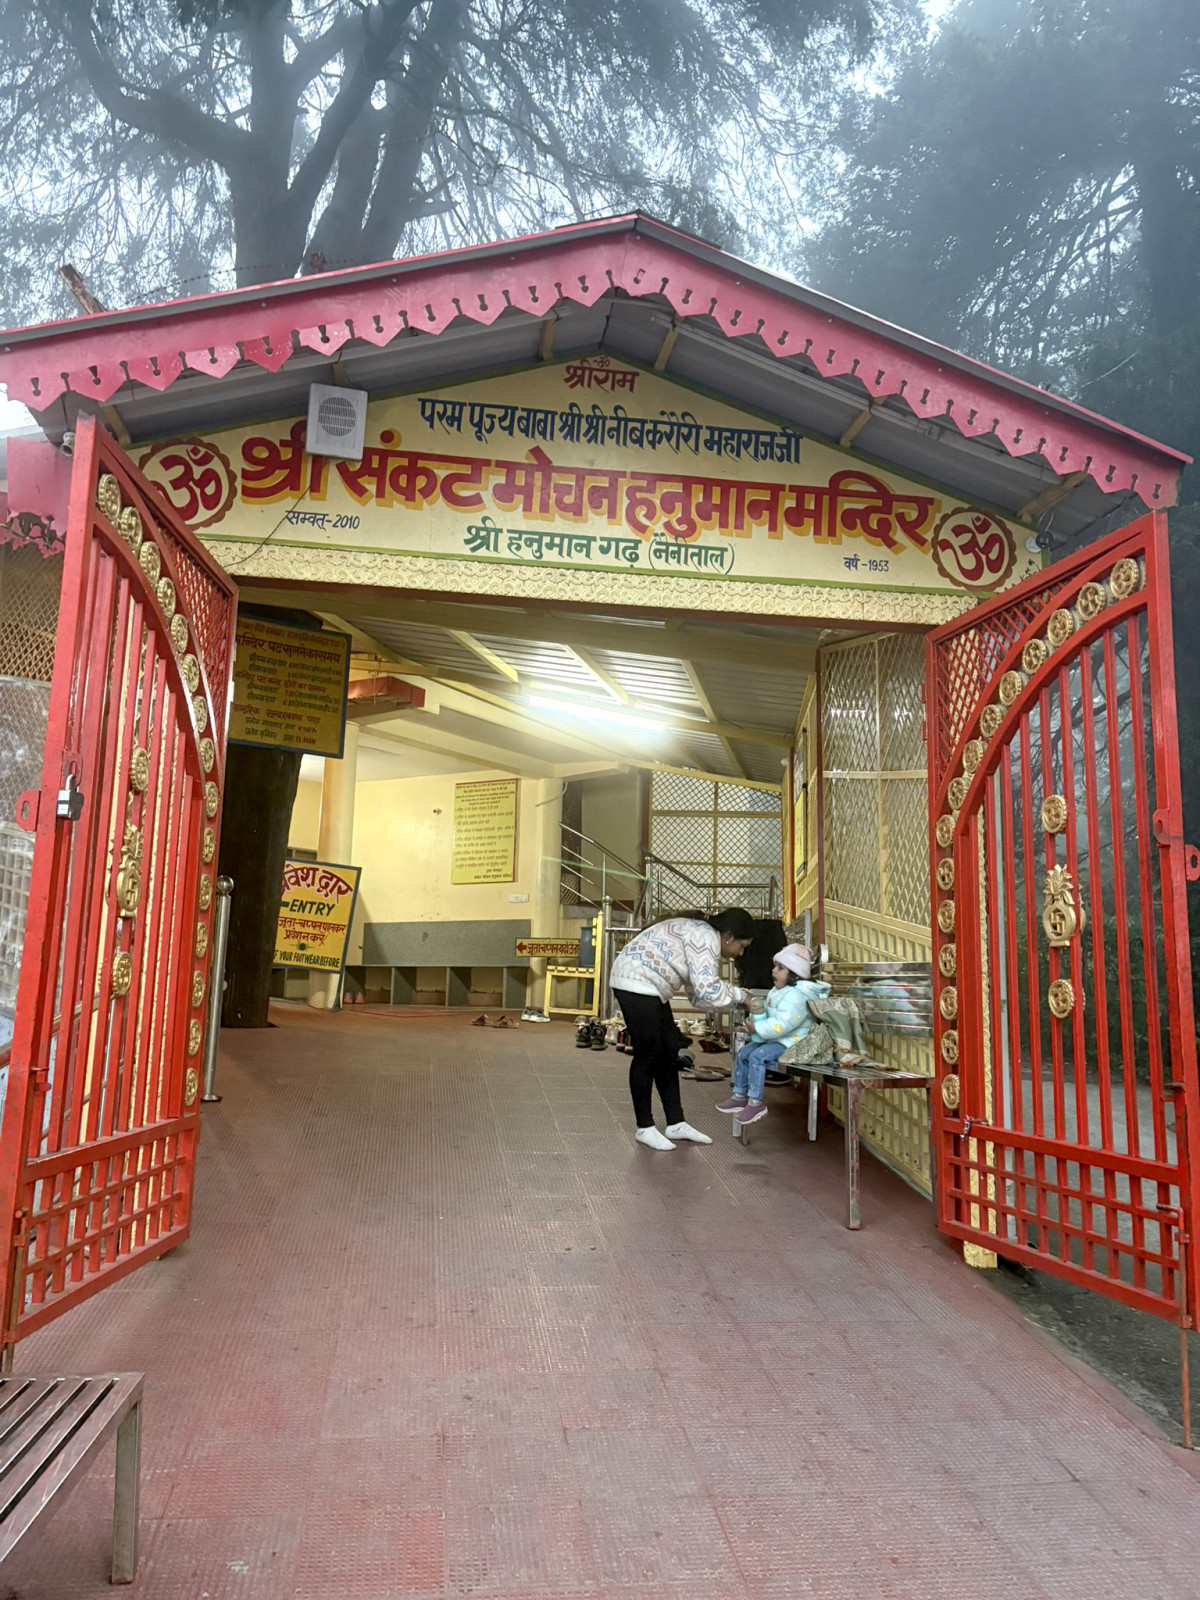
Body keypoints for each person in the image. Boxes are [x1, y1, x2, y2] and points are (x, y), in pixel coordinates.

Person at [609, 908, 755, 1150]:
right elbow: (708, 989)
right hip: (635, 980)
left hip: (648, 985)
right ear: (729, 936)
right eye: (742, 946)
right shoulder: (706, 937)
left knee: (668, 1051)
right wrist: (743, 996)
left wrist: (734, 1000)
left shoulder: (702, 933)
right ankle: (644, 1127)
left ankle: (675, 1123)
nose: (740, 953)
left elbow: (698, 994)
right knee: (649, 1053)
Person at [716, 944, 830, 1128]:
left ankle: (755, 1103)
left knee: (756, 1056)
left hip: (793, 1042)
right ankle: (739, 1095)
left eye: (780, 968)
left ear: (794, 974)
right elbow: (771, 1015)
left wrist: (758, 1029)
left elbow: (784, 1024)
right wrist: (757, 1017)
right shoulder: (777, 991)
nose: (773, 971)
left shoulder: (797, 996)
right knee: (744, 1052)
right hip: (776, 1039)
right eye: (775, 966)